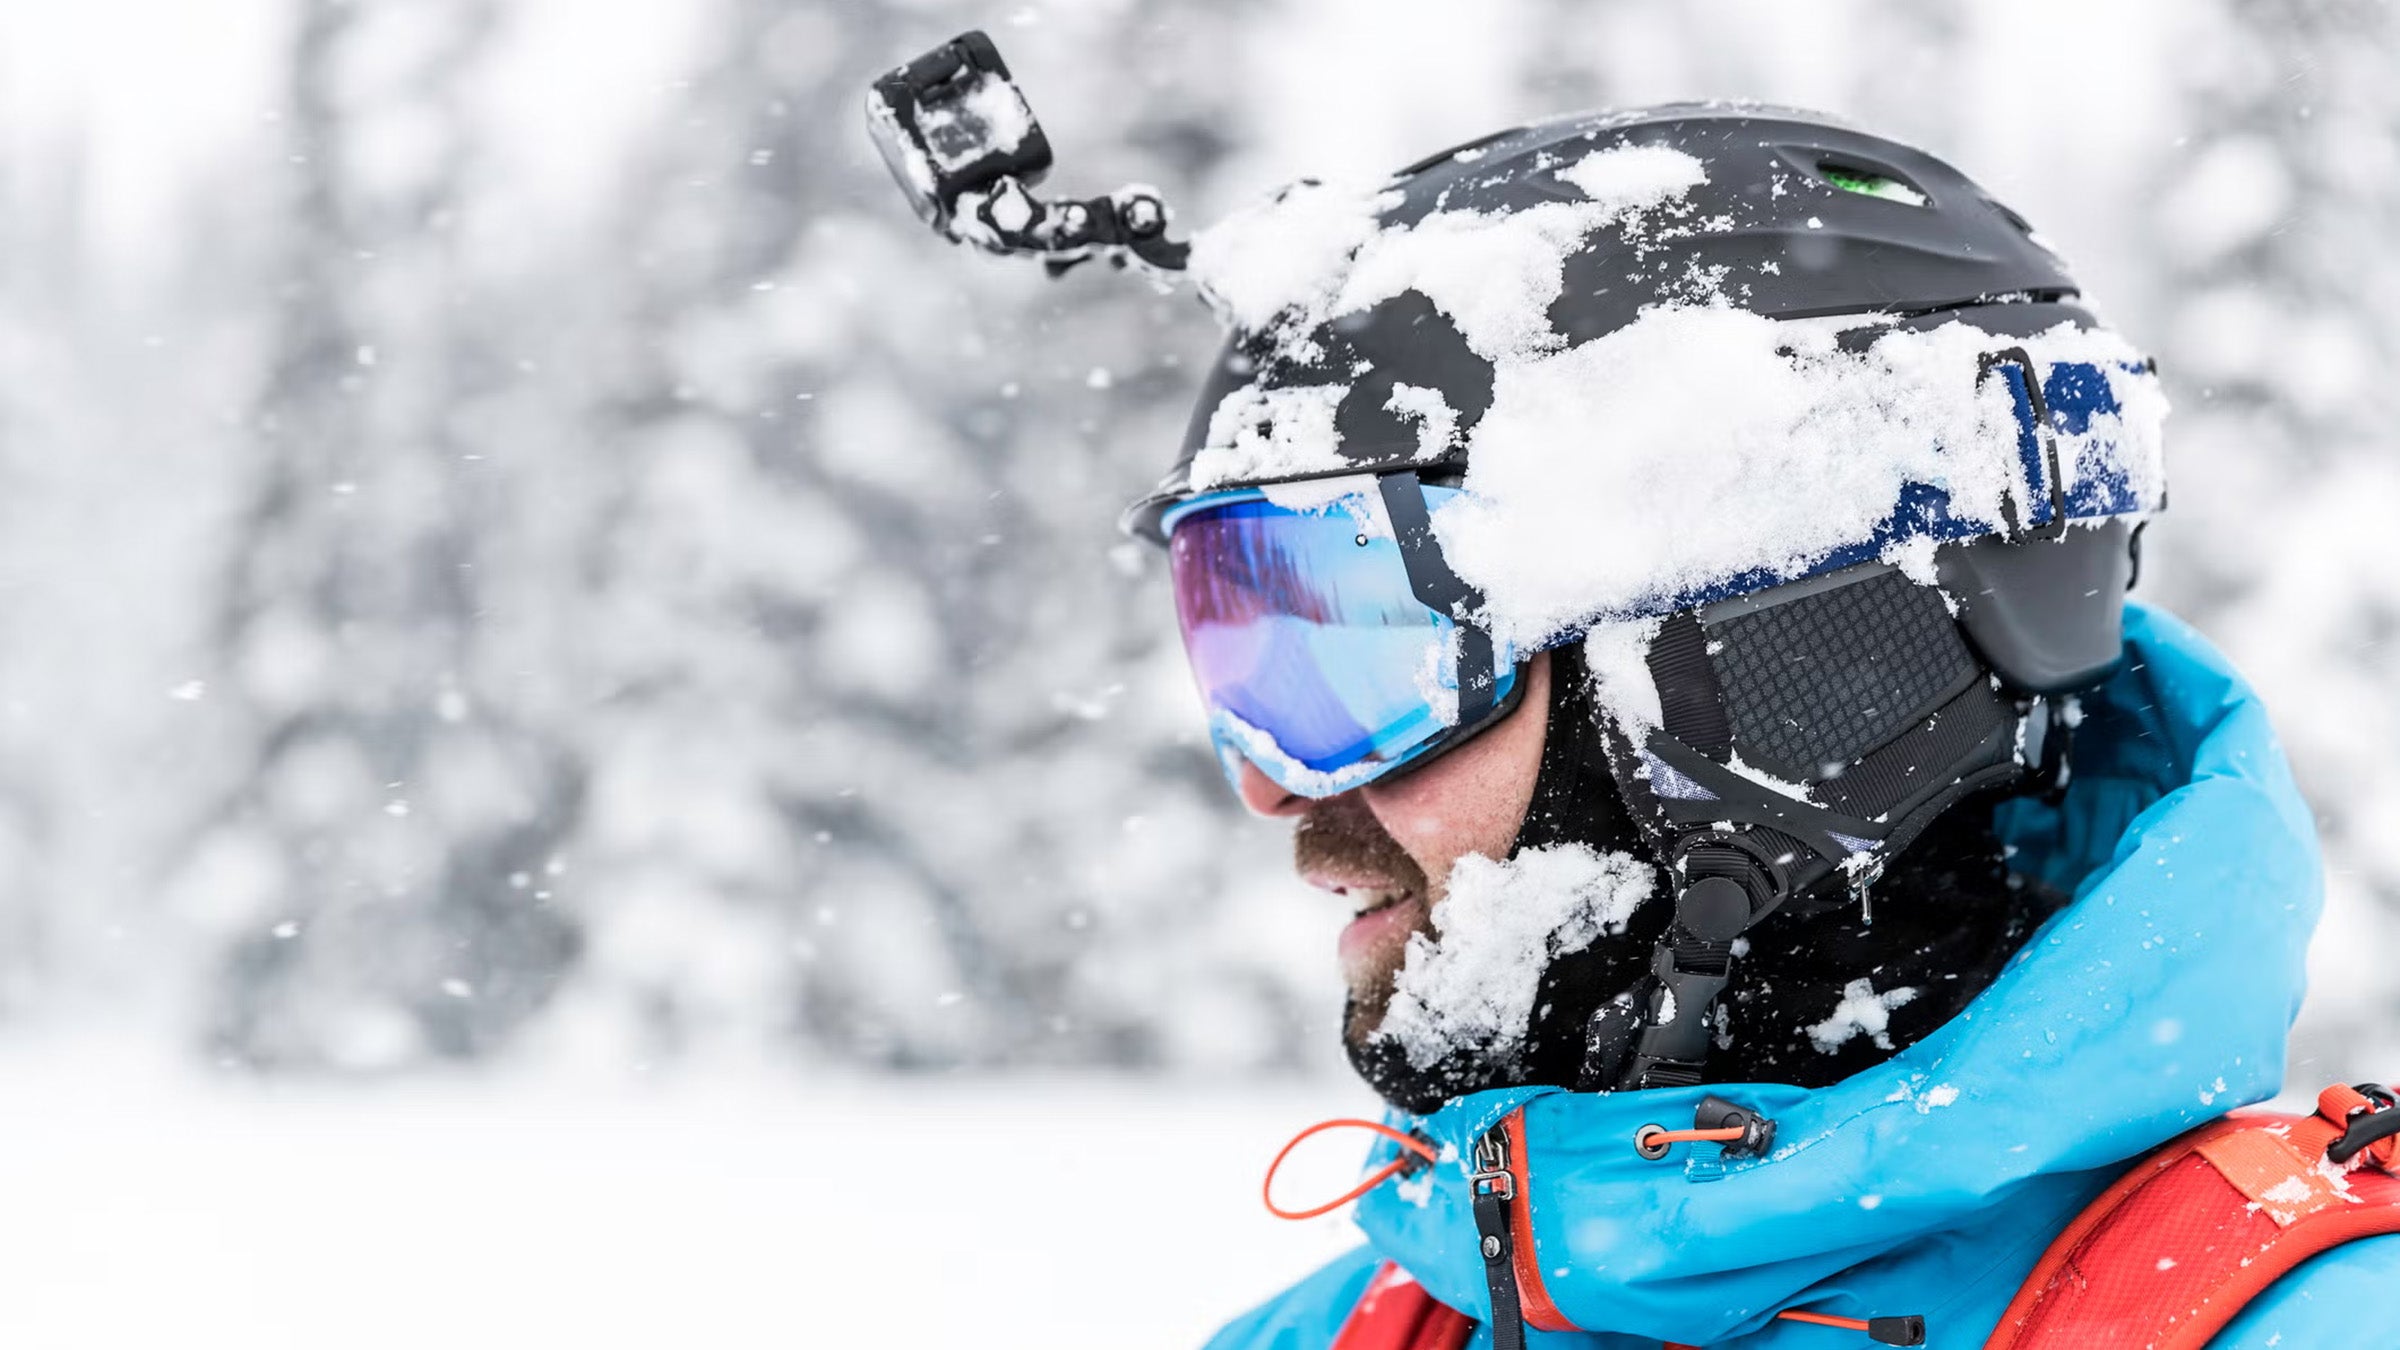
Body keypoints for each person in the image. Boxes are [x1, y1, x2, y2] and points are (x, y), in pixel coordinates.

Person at [1120, 106, 2400, 1349]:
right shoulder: (1352, 1332)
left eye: (1363, 671)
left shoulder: (2312, 1321)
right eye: (1257, 676)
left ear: (1784, 688)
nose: (1277, 797)